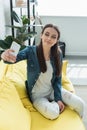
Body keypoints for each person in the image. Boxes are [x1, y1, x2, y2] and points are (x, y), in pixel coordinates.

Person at [1, 23, 85, 120]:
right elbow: (13, 59)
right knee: (53, 114)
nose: (49, 38)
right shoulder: (30, 51)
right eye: (47, 34)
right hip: (37, 96)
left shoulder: (58, 54)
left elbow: (58, 78)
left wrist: (58, 98)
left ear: (56, 40)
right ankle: (55, 105)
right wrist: (4, 55)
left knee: (80, 104)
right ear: (41, 35)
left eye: (53, 37)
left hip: (52, 90)